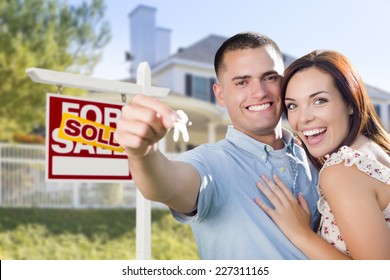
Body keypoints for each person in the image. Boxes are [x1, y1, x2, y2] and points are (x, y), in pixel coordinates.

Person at [114, 32, 320, 259]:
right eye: (242, 82)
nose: (259, 92)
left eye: (270, 77)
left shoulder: (314, 155)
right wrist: (143, 154)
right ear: (220, 95)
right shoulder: (211, 162)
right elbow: (168, 185)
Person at [254, 50, 390, 259]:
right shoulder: (375, 150)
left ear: (350, 102)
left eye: (319, 101)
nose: (303, 118)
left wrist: (301, 233)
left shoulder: (343, 171)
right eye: (293, 105)